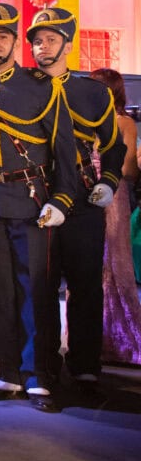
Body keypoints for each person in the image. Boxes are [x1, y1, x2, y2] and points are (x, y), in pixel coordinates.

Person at [0, 0, 77, 412]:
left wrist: (62, 199)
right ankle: (7, 371)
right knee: (2, 291)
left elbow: (63, 147)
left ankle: (40, 374)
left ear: (14, 41)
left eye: (3, 37)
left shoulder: (40, 86)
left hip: (32, 201)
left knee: (38, 289)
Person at [27, 2, 126, 389]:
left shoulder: (92, 92)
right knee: (41, 286)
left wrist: (110, 181)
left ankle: (85, 361)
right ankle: (44, 363)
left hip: (84, 199)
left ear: (67, 45)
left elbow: (113, 147)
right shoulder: (24, 90)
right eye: (36, 41)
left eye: (51, 39)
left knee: (85, 284)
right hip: (37, 198)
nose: (42, 47)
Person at [90, 68, 141, 366]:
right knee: (88, 267)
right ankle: (89, 341)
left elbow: (128, 172)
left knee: (114, 264)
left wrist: (102, 167)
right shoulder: (81, 123)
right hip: (84, 198)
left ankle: (123, 341)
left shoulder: (124, 122)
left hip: (113, 198)